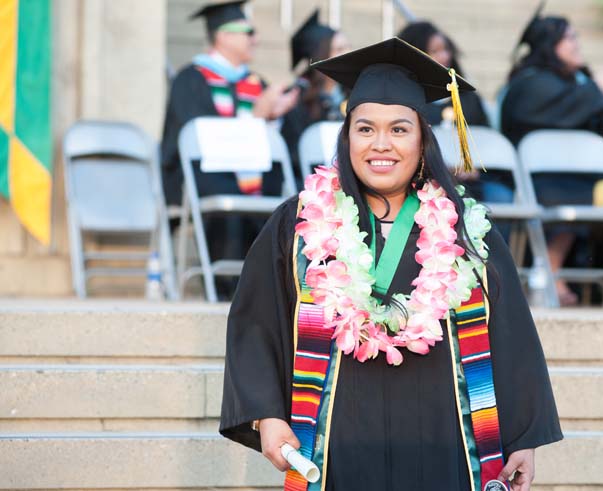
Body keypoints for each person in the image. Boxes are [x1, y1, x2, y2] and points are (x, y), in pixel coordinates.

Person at [219, 37, 562, 491]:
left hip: (447, 442)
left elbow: (511, 331)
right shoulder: (300, 223)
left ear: (423, 139)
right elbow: (257, 323)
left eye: (399, 129)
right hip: (336, 445)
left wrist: (522, 437)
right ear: (347, 136)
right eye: (365, 129)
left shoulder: (464, 228)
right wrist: (266, 416)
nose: (381, 145)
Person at [500, 6, 603, 306]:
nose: (578, 45)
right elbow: (580, 102)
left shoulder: (576, 83)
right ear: (549, 45)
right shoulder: (529, 84)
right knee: (569, 194)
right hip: (541, 182)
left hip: (580, 179)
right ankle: (551, 274)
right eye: (569, 39)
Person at [160, 0, 299, 296]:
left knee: (279, 188)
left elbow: (272, 143)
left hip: (251, 175)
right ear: (223, 35)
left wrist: (274, 118)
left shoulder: (256, 83)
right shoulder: (191, 79)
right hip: (203, 174)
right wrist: (256, 117)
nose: (255, 39)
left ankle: (265, 289)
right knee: (226, 185)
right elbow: (201, 141)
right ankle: (229, 288)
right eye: (248, 31)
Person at [397, 20, 513, 208]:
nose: (443, 57)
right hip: (422, 182)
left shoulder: (467, 99)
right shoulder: (403, 101)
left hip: (474, 180)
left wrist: (474, 168)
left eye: (445, 49)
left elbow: (484, 140)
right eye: (434, 51)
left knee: (501, 196)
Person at [280, 10, 351, 182]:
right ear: (321, 56)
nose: (349, 53)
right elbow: (294, 155)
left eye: (348, 46)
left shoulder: (353, 93)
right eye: (340, 49)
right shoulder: (297, 100)